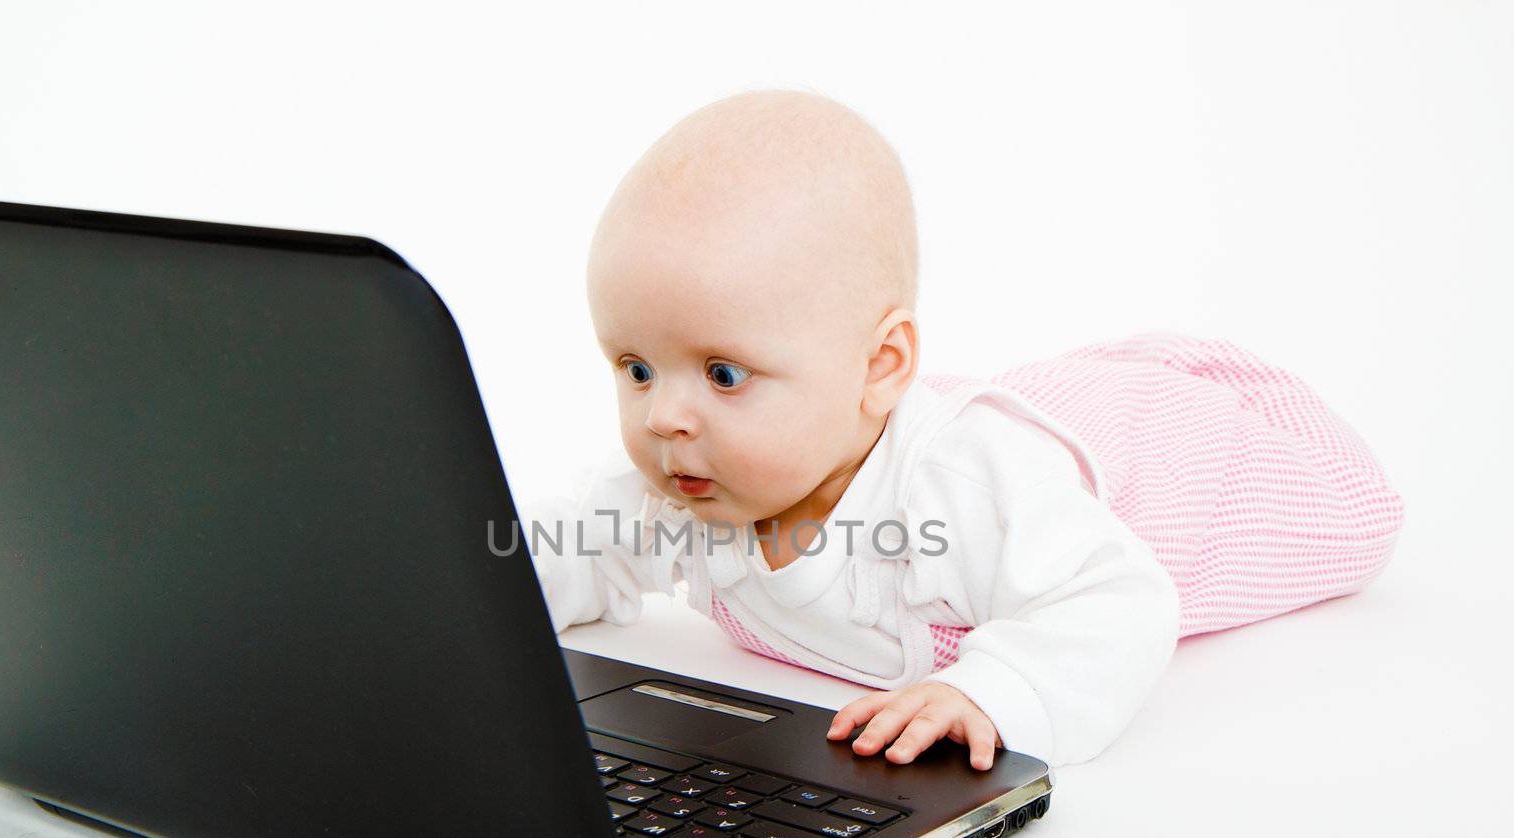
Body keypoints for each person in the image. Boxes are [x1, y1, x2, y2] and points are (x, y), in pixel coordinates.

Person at [518, 88, 1404, 768]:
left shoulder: (956, 491)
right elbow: (576, 553)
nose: (665, 417)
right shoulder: (684, 483)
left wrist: (993, 689)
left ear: (878, 367)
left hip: (1165, 464)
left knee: (1236, 506)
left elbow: (1120, 598)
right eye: (635, 367)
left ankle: (1195, 409)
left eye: (722, 374)